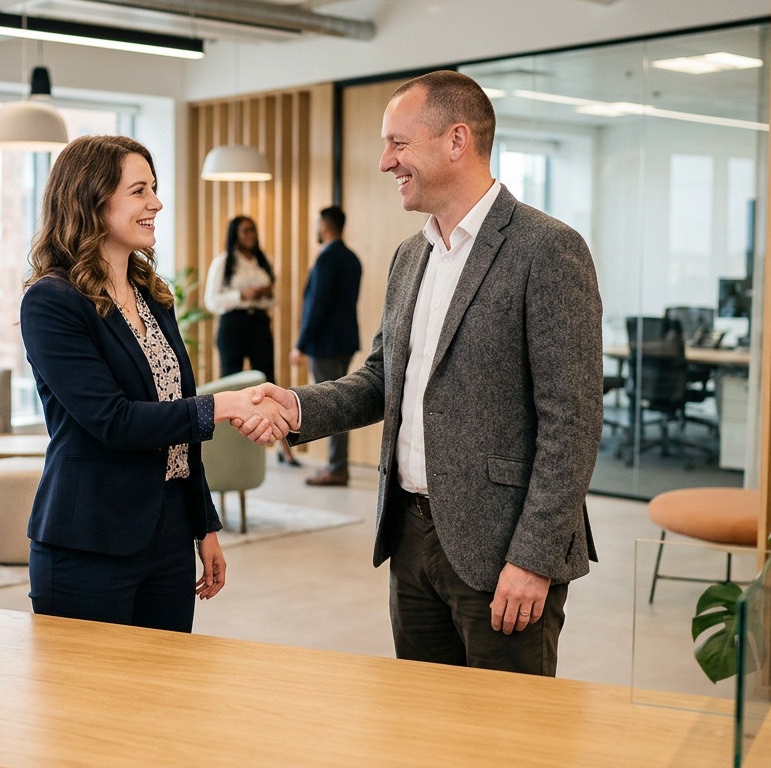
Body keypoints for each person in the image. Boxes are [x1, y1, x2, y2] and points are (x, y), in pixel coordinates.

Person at [242, 71, 602, 676]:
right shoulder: (413, 254)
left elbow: (573, 422)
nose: (386, 162)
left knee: (502, 737)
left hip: (502, 550)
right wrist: (296, 406)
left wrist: (534, 559)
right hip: (409, 537)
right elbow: (384, 378)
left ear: (456, 140)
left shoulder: (548, 250)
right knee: (422, 732)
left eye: (398, 144)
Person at [19, 135, 288, 632]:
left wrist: (202, 525)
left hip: (166, 533)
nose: (156, 203)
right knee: (93, 703)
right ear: (92, 201)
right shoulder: (51, 302)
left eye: (154, 189)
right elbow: (114, 421)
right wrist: (223, 405)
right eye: (140, 191)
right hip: (89, 540)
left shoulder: (151, 295)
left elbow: (176, 424)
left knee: (165, 699)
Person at [204, 215, 299, 465]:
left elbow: (273, 301)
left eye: (253, 231)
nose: (251, 236)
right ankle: (229, 451)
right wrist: (241, 294)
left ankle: (284, 448)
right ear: (235, 234)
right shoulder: (223, 262)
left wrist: (263, 294)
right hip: (232, 325)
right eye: (246, 231)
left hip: (259, 323)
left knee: (269, 382)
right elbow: (212, 301)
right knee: (230, 381)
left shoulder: (262, 261)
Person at [290, 205, 362, 487]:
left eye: (318, 224)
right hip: (346, 341)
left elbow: (316, 307)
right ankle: (338, 464)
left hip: (325, 344)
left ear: (325, 226)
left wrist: (301, 345)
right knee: (340, 403)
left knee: (333, 406)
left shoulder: (326, 260)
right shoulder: (352, 258)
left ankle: (336, 467)